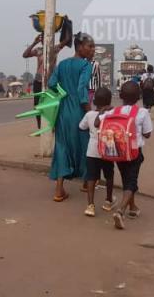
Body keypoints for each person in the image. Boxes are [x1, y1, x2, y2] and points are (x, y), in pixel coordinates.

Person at [96, 81, 153, 230]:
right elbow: (147, 134)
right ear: (139, 97)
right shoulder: (142, 113)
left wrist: (103, 110)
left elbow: (97, 124)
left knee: (126, 179)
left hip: (117, 151)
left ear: (120, 95)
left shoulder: (113, 111)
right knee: (131, 181)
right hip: (134, 152)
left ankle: (133, 208)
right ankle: (120, 211)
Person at [49, 32, 95, 202]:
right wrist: (90, 113)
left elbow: (52, 84)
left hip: (62, 112)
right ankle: (85, 183)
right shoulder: (85, 66)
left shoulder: (62, 64)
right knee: (86, 145)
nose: (92, 50)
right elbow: (83, 92)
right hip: (78, 112)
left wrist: (64, 94)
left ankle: (59, 190)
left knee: (62, 147)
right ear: (80, 46)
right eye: (90, 47)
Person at [80, 87, 116, 217]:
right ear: (109, 101)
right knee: (109, 176)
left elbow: (81, 126)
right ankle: (108, 201)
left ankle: (90, 206)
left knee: (91, 177)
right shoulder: (111, 114)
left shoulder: (89, 115)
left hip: (92, 151)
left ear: (94, 101)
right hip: (108, 149)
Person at [22, 34, 71, 128]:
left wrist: (66, 24)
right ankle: (40, 126)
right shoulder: (38, 50)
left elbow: (66, 39)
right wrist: (34, 43)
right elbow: (25, 55)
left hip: (51, 81)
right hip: (38, 80)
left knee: (52, 104)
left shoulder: (54, 49)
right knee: (37, 104)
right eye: (43, 38)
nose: (45, 40)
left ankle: (51, 125)